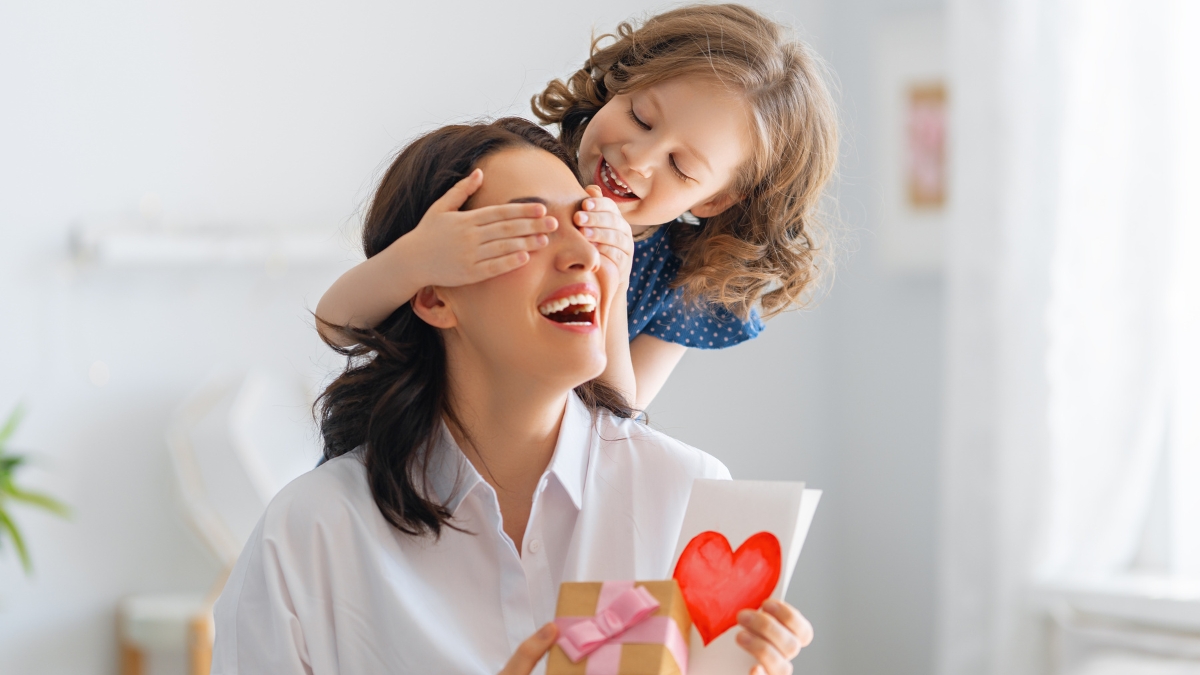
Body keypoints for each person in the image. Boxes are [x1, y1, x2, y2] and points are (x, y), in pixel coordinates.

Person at [211, 119, 813, 674]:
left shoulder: (689, 497)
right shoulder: (312, 531)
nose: (581, 255)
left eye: (588, 225)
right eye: (530, 228)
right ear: (433, 296)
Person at [314, 3, 838, 410]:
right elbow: (338, 325)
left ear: (717, 199)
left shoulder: (683, 285)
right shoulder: (509, 177)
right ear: (620, 81)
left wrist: (611, 281)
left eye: (680, 166)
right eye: (641, 118)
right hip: (400, 454)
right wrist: (419, 259)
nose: (638, 159)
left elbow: (617, 422)